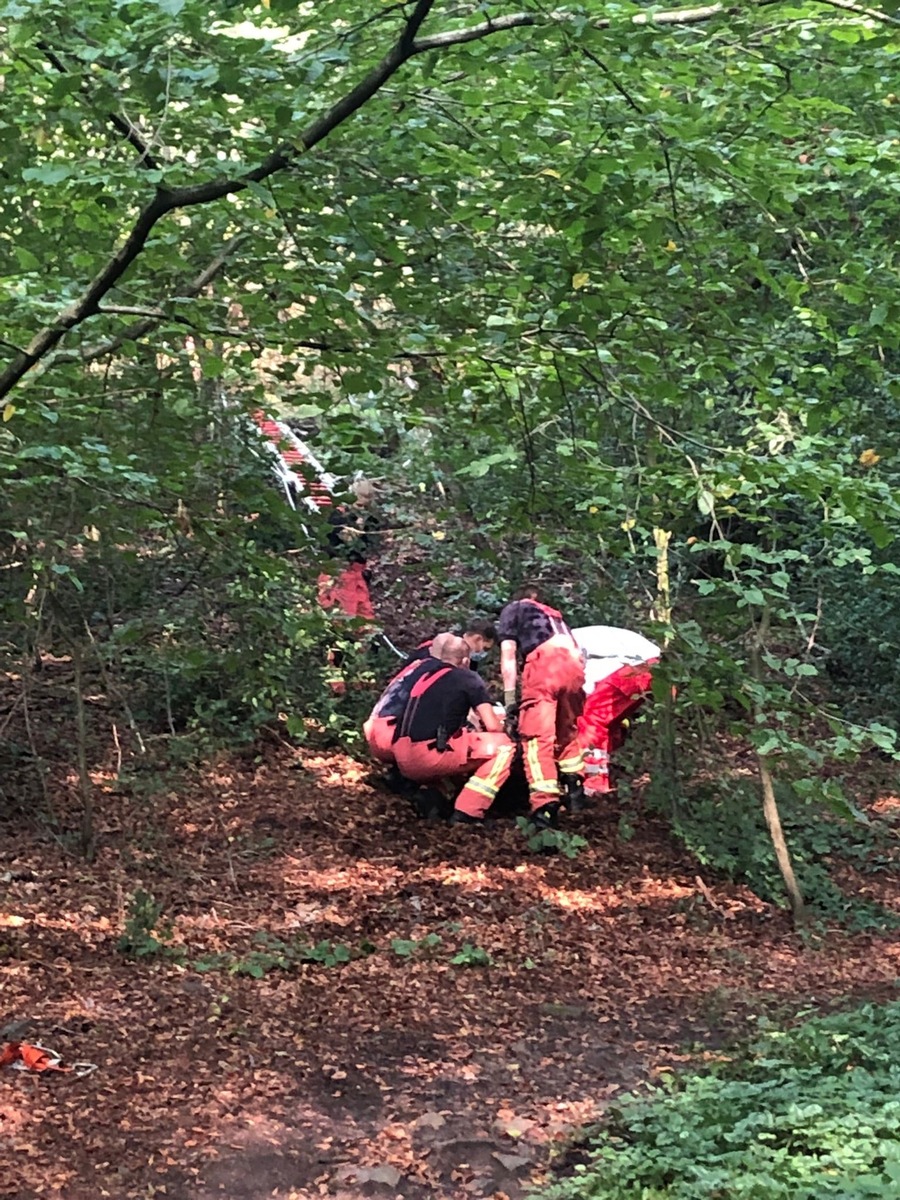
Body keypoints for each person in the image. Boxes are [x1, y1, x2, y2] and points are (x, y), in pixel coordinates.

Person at [390, 634, 516, 824]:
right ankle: (468, 812)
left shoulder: (425, 675)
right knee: (504, 747)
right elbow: (492, 726)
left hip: (400, 754)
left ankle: (435, 795)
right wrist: (504, 724)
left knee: (461, 743)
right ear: (465, 660)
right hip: (427, 756)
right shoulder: (468, 678)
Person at [498, 586, 586, 825]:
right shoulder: (555, 617)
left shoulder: (514, 610)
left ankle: (544, 806)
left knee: (537, 740)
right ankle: (575, 790)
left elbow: (508, 658)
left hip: (544, 669)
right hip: (575, 666)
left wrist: (509, 702)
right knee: (566, 730)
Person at [572, 626, 660, 795]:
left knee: (590, 720)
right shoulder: (573, 636)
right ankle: (600, 770)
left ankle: (594, 780)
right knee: (608, 723)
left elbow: (584, 681)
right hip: (655, 668)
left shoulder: (563, 645)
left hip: (637, 668)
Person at [317, 478, 379, 622]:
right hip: (337, 568)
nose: (362, 505)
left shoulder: (370, 521)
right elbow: (333, 542)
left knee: (362, 610)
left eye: (366, 501)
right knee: (339, 608)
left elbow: (369, 545)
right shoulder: (337, 517)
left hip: (357, 571)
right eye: (359, 500)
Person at [407, 618, 497, 668]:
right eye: (485, 648)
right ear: (478, 639)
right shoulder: (447, 655)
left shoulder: (429, 645)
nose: (483, 652)